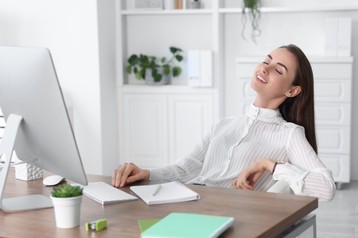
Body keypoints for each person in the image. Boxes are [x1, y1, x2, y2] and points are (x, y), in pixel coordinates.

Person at [112, 44, 336, 202]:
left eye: (278, 70)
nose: (264, 68)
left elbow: (326, 188)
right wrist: (147, 174)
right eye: (266, 61)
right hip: (186, 200)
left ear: (292, 90)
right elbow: (186, 168)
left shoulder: (288, 134)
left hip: (223, 216)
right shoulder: (224, 124)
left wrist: (270, 166)